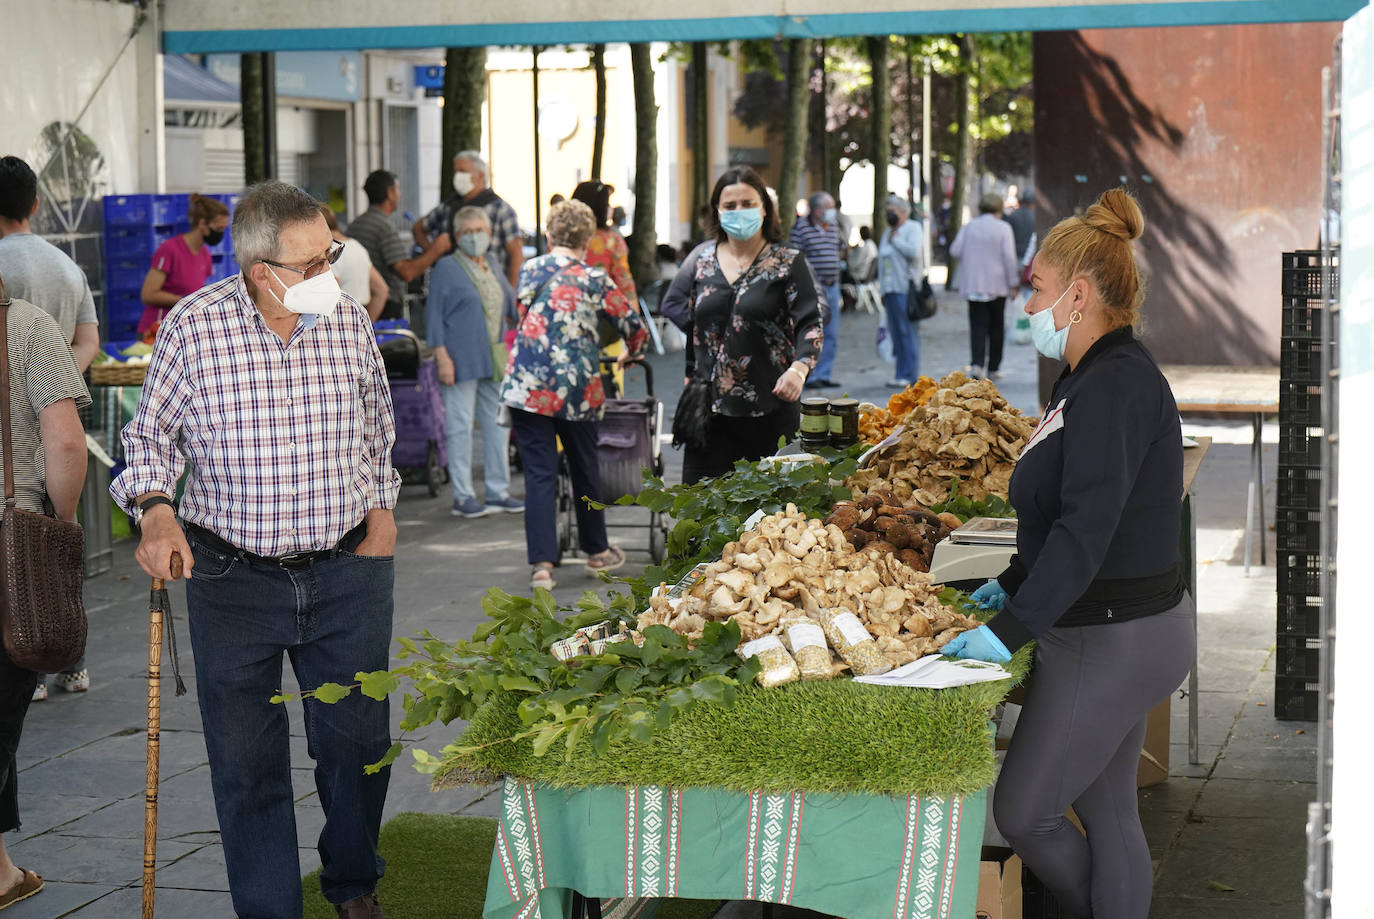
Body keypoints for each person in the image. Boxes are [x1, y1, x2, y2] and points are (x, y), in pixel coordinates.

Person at [112, 181, 400, 919]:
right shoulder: (193, 326)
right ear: (259, 268)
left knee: (359, 744)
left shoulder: (343, 319)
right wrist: (155, 511)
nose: (329, 273)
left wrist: (380, 509)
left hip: (346, 568)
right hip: (231, 577)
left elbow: (375, 418)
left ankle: (353, 881)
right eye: (312, 262)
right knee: (247, 765)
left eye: (331, 253)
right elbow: (146, 439)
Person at [941, 188, 1193, 919]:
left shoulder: (1115, 383)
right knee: (1109, 807)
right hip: (1117, 628)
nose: (1028, 306)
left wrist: (1006, 631)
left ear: (1079, 295)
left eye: (1038, 290)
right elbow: (1066, 516)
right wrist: (1012, 579)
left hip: (1112, 636)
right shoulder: (1090, 375)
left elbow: (1087, 529)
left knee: (1025, 811)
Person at [0, 272, 90, 914]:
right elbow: (62, 439)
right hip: (9, 543)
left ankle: (1, 871)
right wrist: (63, 527)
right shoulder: (24, 324)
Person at [500, 200, 647, 591]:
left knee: (539, 473)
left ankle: (543, 567)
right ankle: (597, 552)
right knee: (586, 468)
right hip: (577, 390)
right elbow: (632, 324)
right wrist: (633, 349)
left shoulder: (530, 270)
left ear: (549, 235)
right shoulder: (595, 278)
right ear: (589, 238)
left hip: (528, 386)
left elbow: (522, 314)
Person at [0, 154, 100, 701]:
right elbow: (89, 339)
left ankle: (26, 663)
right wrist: (55, 385)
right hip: (56, 420)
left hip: (9, 435)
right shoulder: (65, 266)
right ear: (35, 203)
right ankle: (67, 657)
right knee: (53, 544)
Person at [659, 166, 823, 484]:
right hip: (709, 413)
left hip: (771, 406)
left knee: (769, 523)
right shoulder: (701, 260)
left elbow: (810, 323)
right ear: (717, 212)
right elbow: (677, 308)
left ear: (764, 208)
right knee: (699, 518)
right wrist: (701, 353)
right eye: (730, 205)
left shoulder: (788, 261)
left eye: (748, 203)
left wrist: (799, 368)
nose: (739, 212)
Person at [426, 205, 523, 519]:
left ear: (490, 233)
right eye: (467, 232)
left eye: (479, 230)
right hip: (458, 359)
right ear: (456, 237)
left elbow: (511, 303)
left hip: (493, 357)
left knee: (497, 426)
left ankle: (498, 491)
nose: (474, 237)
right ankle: (463, 496)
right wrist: (441, 357)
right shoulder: (445, 267)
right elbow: (434, 318)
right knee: (459, 427)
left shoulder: (492, 263)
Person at [348, 169, 452, 320]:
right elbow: (406, 272)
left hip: (361, 303)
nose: (400, 195)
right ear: (390, 193)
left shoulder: (356, 224)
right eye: (397, 189)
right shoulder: (383, 227)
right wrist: (436, 250)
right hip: (384, 309)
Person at [413, 151, 524, 287]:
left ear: (480, 175)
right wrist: (434, 251)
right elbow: (419, 228)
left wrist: (511, 293)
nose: (457, 176)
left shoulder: (500, 209)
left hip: (491, 287)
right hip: (453, 284)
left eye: (462, 171)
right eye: (455, 172)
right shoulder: (448, 207)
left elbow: (516, 253)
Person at [137, 193, 230, 336]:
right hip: (156, 330)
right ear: (202, 223)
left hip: (182, 329)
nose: (221, 234)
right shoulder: (170, 249)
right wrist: (186, 301)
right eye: (218, 229)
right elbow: (148, 294)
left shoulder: (204, 254)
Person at [949, 192, 1019, 381]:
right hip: (998, 285)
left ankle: (977, 364)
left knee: (977, 326)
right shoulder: (1004, 228)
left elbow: (954, 250)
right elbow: (1009, 258)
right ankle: (994, 367)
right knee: (997, 327)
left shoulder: (969, 227)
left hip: (974, 285)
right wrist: (1014, 283)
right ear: (999, 209)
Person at [789, 190, 844, 389]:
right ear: (817, 210)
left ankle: (824, 374)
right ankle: (809, 375)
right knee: (812, 331)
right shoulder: (801, 228)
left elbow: (840, 247)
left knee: (831, 333)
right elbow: (796, 257)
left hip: (833, 286)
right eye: (829, 208)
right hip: (813, 288)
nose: (832, 212)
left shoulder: (834, 226)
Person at [877, 196, 923, 388]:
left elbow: (914, 253)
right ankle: (900, 372)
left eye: (892, 209)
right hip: (889, 289)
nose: (889, 213)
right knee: (895, 333)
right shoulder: (887, 232)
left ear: (903, 211)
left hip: (905, 289)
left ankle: (910, 374)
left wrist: (896, 242)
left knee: (907, 332)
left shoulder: (912, 228)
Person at [571, 180, 636, 307]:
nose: (610, 208)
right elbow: (625, 286)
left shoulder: (563, 238)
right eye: (607, 203)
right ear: (600, 207)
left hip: (563, 311)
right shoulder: (612, 242)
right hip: (600, 314)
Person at [322, 205, 388, 322]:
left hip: (337, 322)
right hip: (358, 318)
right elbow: (381, 290)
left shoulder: (328, 252)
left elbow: (330, 297)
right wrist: (366, 324)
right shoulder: (357, 247)